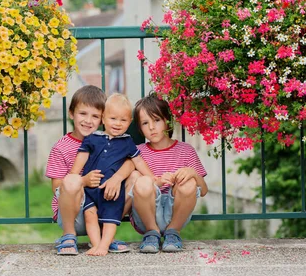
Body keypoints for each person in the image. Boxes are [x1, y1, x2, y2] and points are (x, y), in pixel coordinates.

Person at [45, 86, 135, 255]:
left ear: (103, 118)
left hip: (104, 206)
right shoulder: (61, 147)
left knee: (135, 177)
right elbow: (57, 187)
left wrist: (116, 178)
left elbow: (132, 162)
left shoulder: (111, 141)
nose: (88, 121)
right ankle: (68, 235)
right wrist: (83, 181)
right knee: (71, 180)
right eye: (83, 114)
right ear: (72, 113)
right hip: (73, 214)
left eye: (95, 116)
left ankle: (105, 237)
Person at [70, 93, 154, 256]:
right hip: (91, 189)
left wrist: (152, 177)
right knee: (90, 215)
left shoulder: (127, 141)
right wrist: (74, 178)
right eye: (113, 118)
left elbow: (138, 161)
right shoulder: (92, 138)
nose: (117, 123)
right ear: (103, 119)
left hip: (112, 192)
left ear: (129, 122)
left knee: (110, 220)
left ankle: (104, 245)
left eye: (123, 120)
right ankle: (95, 244)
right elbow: (81, 157)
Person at [130, 93, 208, 253]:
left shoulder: (186, 150)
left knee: (189, 182)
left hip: (176, 214)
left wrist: (192, 173)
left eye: (157, 120)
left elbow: (204, 190)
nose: (151, 127)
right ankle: (151, 233)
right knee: (141, 180)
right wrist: (156, 183)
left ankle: (173, 232)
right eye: (145, 123)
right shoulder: (137, 153)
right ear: (140, 127)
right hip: (145, 215)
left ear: (167, 121)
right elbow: (131, 186)